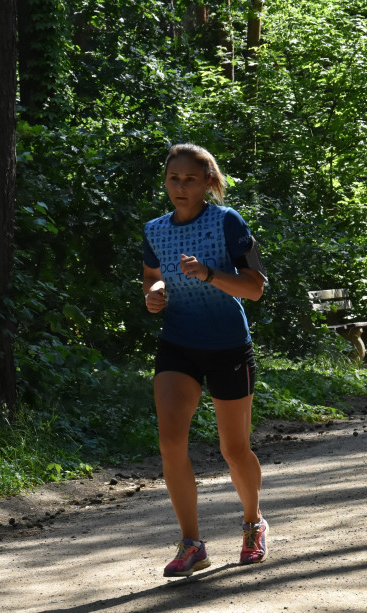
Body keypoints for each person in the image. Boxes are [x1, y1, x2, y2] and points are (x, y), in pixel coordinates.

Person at [142, 144, 269, 577]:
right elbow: (153, 278)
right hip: (179, 343)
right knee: (170, 441)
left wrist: (210, 274)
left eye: (190, 179)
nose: (181, 186)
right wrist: (155, 296)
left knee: (233, 449)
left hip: (228, 345)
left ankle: (253, 523)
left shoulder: (227, 222)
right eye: (174, 178)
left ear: (208, 183)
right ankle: (191, 543)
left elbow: (255, 288)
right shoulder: (155, 230)